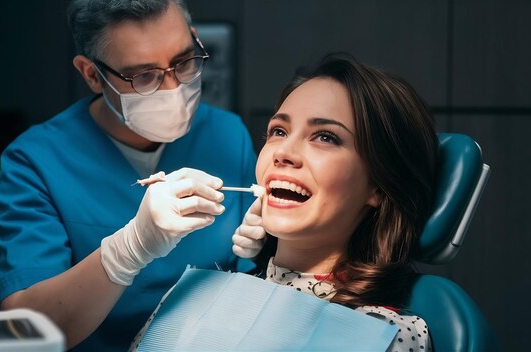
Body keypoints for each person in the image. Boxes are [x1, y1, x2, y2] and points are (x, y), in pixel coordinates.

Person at [0, 0, 257, 350]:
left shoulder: (227, 135)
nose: (172, 88)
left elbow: (254, 283)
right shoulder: (36, 162)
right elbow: (25, 333)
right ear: (91, 74)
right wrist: (128, 250)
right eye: (144, 76)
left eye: (183, 62)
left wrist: (270, 247)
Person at [134, 53, 438, 351]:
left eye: (326, 137)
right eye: (279, 131)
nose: (283, 152)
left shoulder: (387, 335)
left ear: (378, 186)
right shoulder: (192, 294)